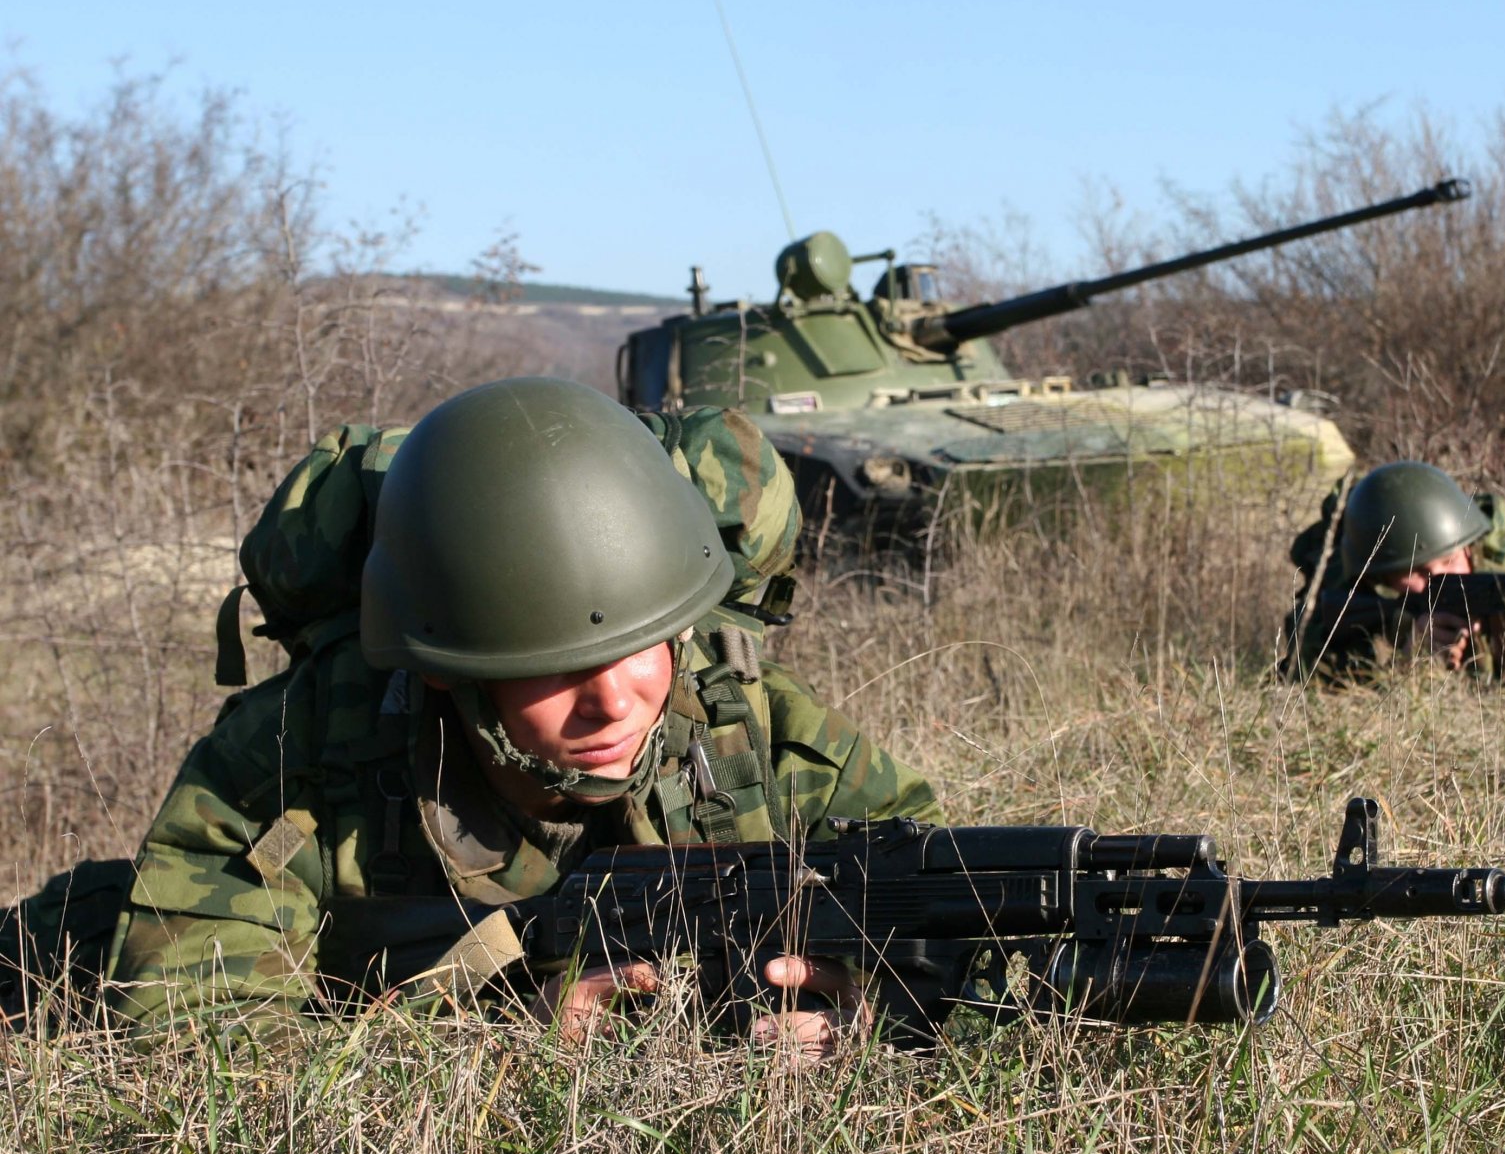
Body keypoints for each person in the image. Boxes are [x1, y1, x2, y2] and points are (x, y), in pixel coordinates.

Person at [100, 377, 942, 1055]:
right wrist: (504, 1037)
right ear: (445, 674)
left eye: (641, 647)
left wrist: (888, 1010)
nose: (614, 703)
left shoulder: (756, 740)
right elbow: (193, 1040)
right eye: (553, 669)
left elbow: (959, 919)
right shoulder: (293, 764)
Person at [1284, 461, 1505, 682]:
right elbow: (1305, 685)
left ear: (1468, 546)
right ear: (1378, 577)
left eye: (1451, 560)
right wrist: (1408, 660)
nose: (1442, 577)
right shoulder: (1350, 607)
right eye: (1418, 571)